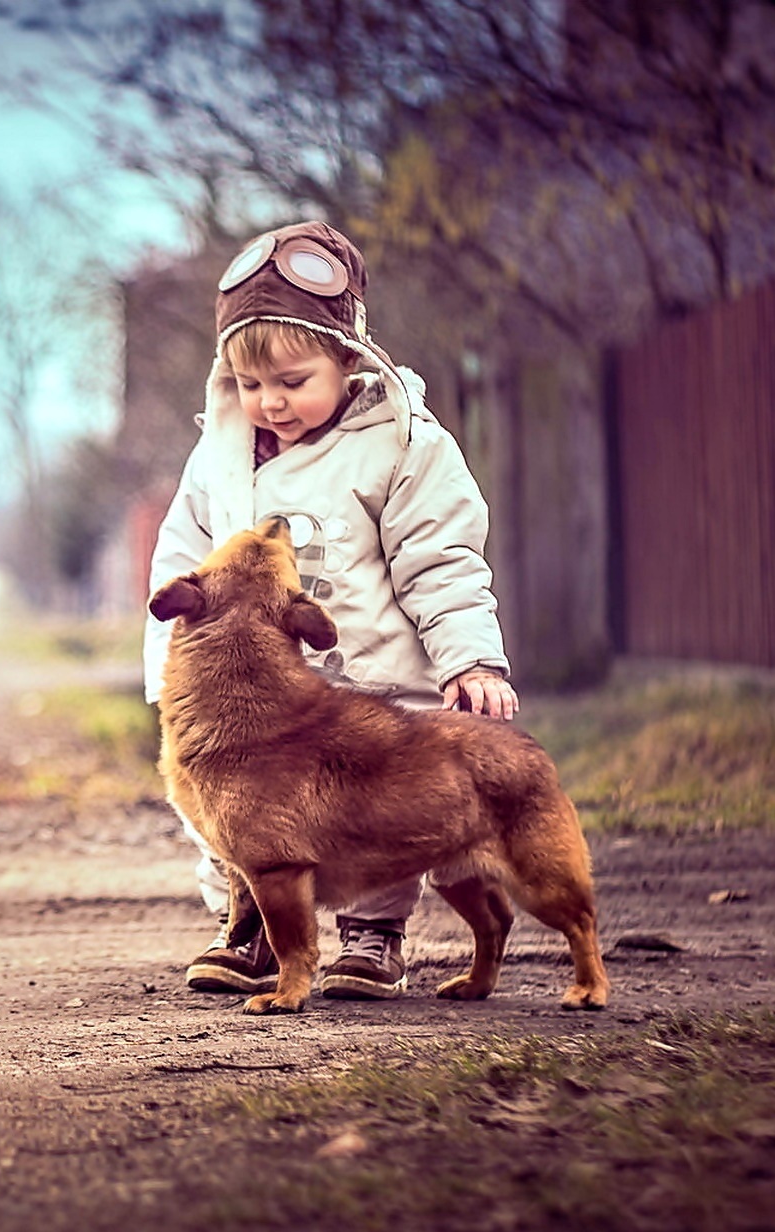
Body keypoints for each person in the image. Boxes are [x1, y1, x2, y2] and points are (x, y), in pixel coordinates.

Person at [143, 221, 518, 1002]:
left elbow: (441, 560)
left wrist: (470, 657)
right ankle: (253, 922)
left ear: (349, 358)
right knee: (235, 806)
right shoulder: (220, 455)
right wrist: (165, 671)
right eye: (250, 385)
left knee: (372, 809)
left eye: (292, 380)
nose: (269, 402)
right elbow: (183, 559)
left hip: (370, 687)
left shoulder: (401, 445)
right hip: (250, 700)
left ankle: (375, 936)